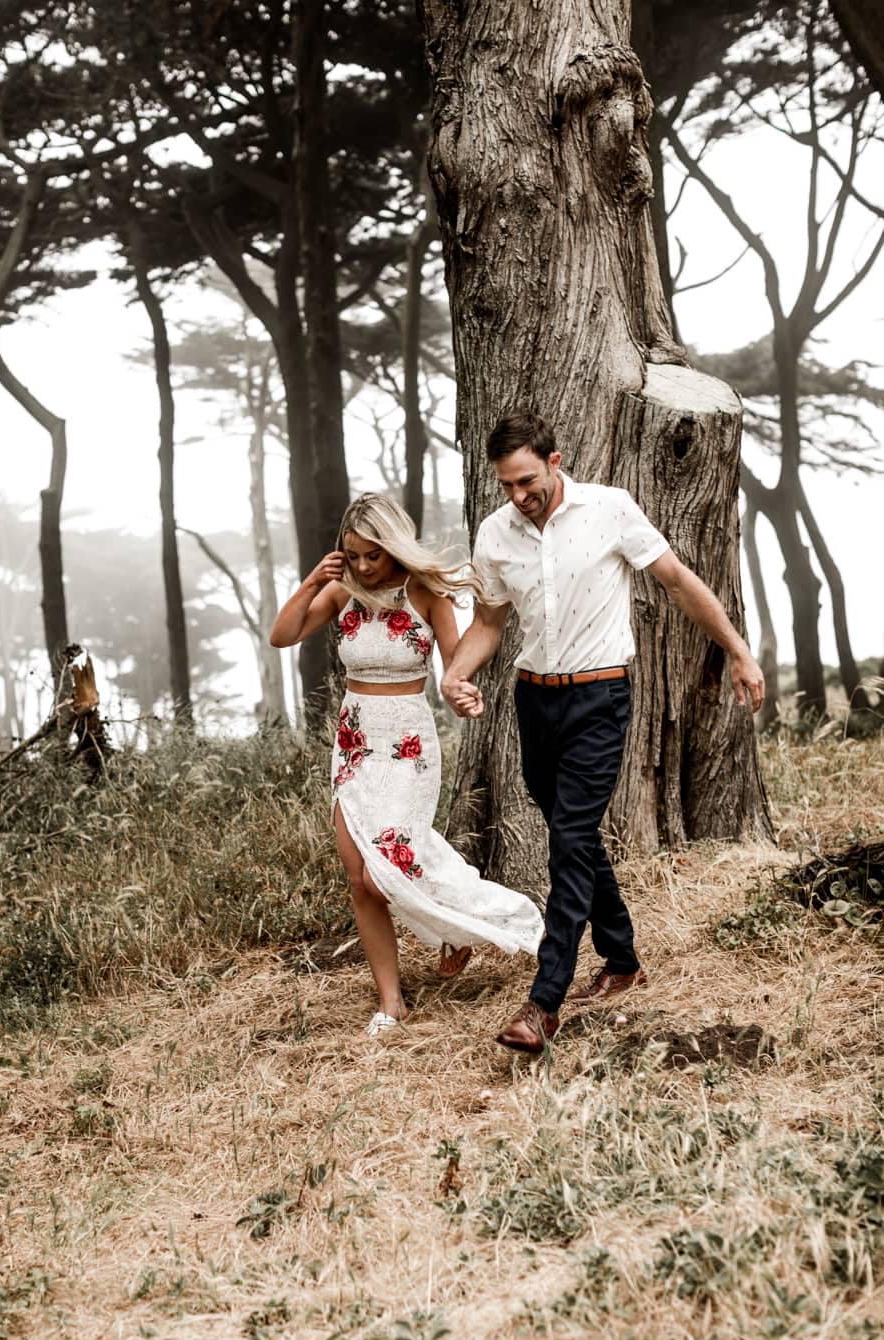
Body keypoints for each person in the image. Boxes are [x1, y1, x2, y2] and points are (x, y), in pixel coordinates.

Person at [441, 410, 765, 1055]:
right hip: (534, 701)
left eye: (528, 480)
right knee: (577, 835)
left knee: (567, 841)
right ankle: (622, 961)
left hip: (600, 697)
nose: (519, 495)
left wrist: (737, 649)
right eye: (507, 485)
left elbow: (678, 582)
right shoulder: (495, 533)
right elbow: (489, 623)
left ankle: (544, 1002)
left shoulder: (611, 508)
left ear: (555, 461)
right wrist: (454, 674)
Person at [270, 494, 544, 1037]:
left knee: (388, 867)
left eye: (372, 555)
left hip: (407, 744)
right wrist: (314, 581)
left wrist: (461, 693)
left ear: (393, 547)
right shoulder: (341, 590)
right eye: (352, 555)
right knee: (359, 877)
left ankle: (463, 925)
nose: (363, 565)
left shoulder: (425, 593)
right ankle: (391, 1003)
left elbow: (454, 667)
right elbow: (283, 635)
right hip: (354, 743)